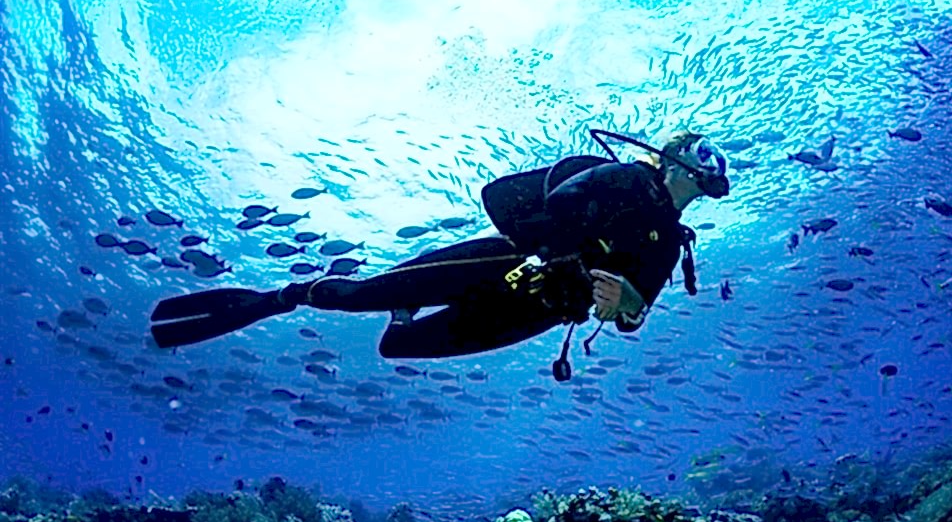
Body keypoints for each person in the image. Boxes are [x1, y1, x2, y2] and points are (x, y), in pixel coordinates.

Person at [149, 129, 729, 379]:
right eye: (705, 152)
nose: (714, 166)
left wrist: (625, 304)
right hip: (503, 261)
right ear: (675, 158)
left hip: (539, 311)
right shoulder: (627, 178)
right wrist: (565, 256)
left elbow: (634, 316)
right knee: (356, 295)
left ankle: (402, 312)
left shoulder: (670, 243)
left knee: (400, 345)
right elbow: (558, 200)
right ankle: (281, 297)